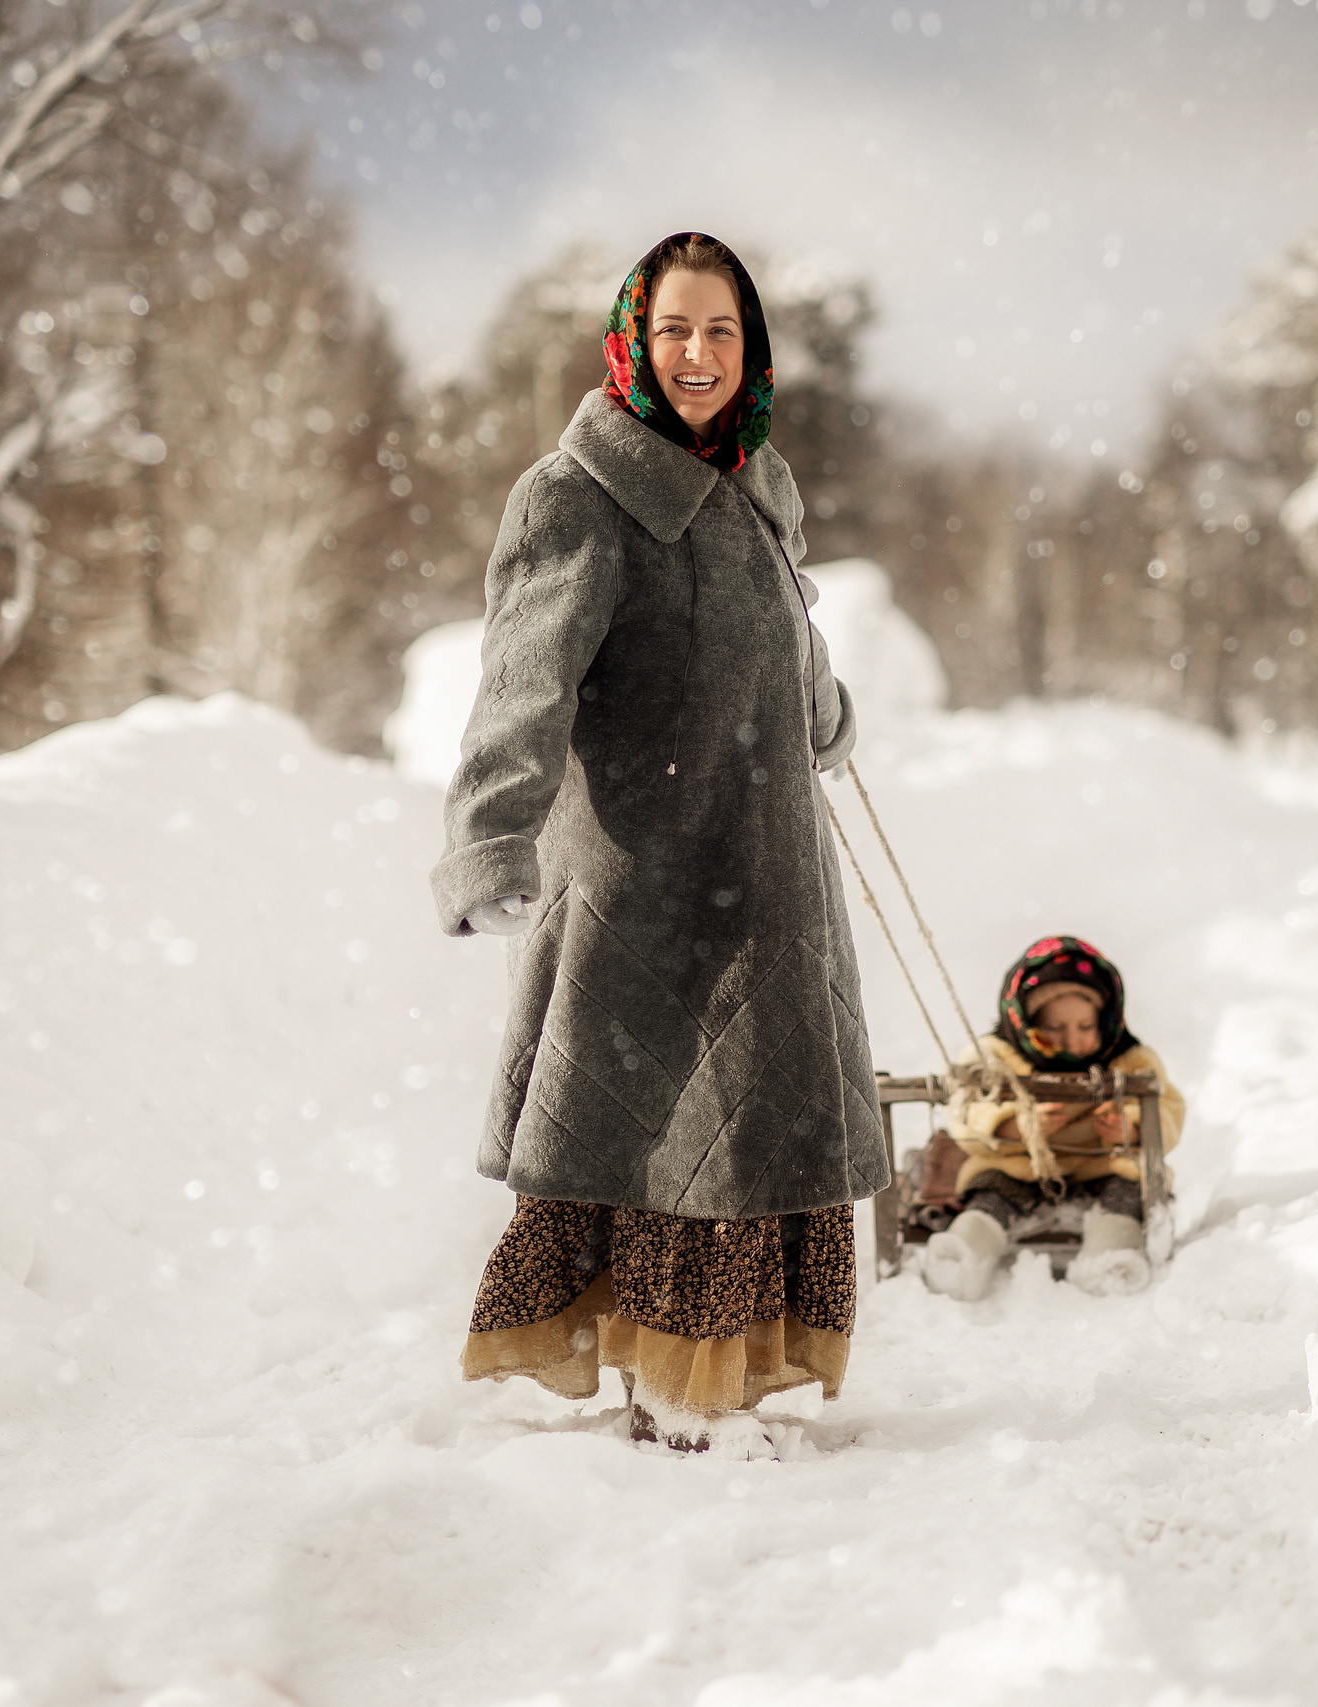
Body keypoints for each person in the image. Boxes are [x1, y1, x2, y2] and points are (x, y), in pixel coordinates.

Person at [433, 232, 887, 1457]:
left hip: (771, 875)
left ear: (754, 353)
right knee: (668, 1138)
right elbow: (519, 688)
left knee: (744, 1144)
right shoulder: (578, 495)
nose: (697, 355)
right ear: (630, 344)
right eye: (676, 329)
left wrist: (823, 711)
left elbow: (779, 657)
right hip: (648, 880)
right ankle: (672, 1394)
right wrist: (488, 842)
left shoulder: (755, 483)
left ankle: (717, 1388)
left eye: (722, 332)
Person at [920, 935, 1185, 1301]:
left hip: (1101, 1167)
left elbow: (1168, 1105)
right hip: (1020, 1167)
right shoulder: (995, 1056)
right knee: (990, 1193)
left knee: (1127, 1193)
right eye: (1054, 1028)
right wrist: (1012, 1125)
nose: (1071, 1040)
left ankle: (1111, 1254)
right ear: (1025, 1022)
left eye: (1085, 1027)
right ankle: (965, 1253)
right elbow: (967, 1106)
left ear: (1105, 1020)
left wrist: (1132, 1127)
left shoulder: (1128, 1058)